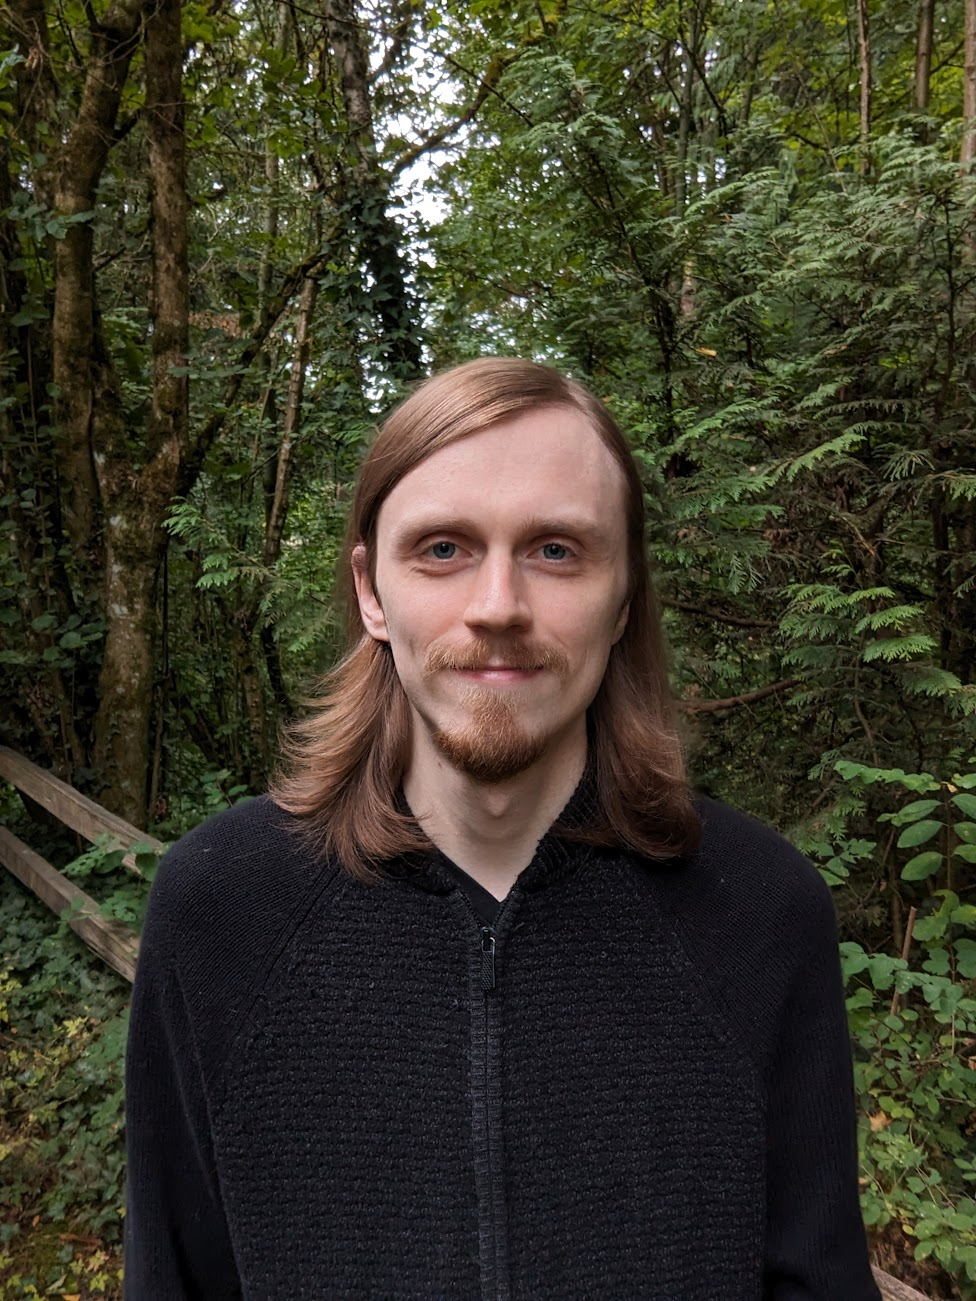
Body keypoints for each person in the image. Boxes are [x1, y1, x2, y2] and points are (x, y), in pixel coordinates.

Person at [124, 356, 881, 1299]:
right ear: (371, 592)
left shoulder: (762, 914)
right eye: (442, 548)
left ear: (624, 597)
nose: (497, 608)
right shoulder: (219, 909)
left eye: (556, 550)